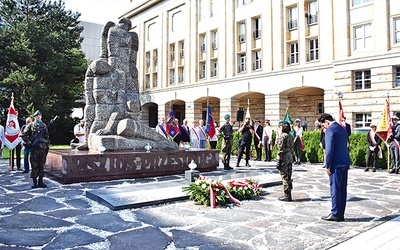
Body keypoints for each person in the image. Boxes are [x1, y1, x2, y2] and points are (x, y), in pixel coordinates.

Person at [318, 113, 350, 222]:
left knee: (335, 189)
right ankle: (341, 213)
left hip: (335, 164)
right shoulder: (342, 128)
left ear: (327, 122)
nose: (324, 127)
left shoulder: (330, 130)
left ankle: (335, 213)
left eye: (323, 125)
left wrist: (328, 165)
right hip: (344, 162)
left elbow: (329, 149)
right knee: (342, 189)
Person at [20, 110, 50, 189]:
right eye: (37, 115)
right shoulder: (31, 125)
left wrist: (46, 147)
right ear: (34, 117)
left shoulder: (44, 126)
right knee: (34, 165)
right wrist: (29, 142)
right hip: (34, 149)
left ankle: (41, 181)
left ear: (41, 116)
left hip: (42, 149)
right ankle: (34, 182)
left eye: (39, 115)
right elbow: (23, 135)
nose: (38, 117)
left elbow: (47, 137)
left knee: (41, 165)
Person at [276, 121, 294, 201]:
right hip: (289, 157)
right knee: (289, 176)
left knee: (284, 176)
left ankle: (287, 195)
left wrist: (279, 161)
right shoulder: (290, 136)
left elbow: (280, 149)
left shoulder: (282, 136)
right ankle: (289, 194)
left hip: (284, 158)